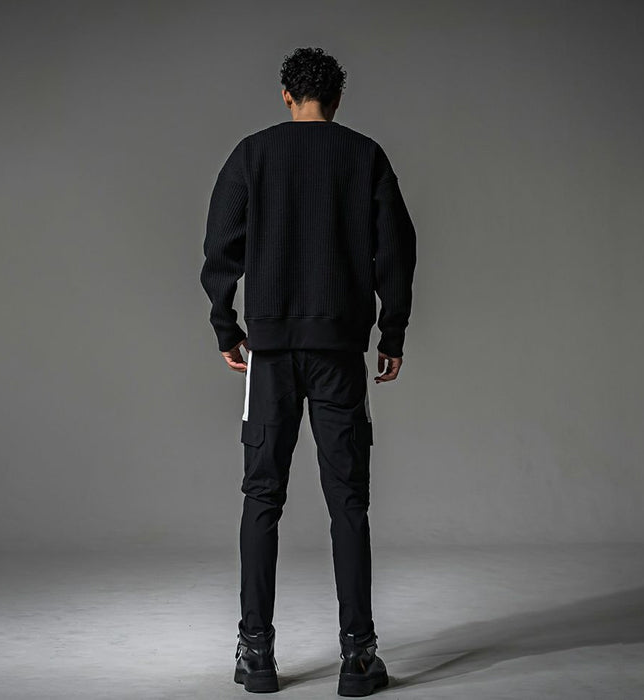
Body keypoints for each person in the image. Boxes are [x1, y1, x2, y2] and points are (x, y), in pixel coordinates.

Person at [200, 46, 417, 696]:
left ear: (287, 96)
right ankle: (358, 657)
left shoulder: (253, 154)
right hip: (339, 354)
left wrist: (226, 326)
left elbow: (220, 246)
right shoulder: (363, 156)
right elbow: (396, 250)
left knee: (262, 496)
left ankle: (256, 655)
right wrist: (392, 331)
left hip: (269, 355)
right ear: (337, 99)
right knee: (348, 500)